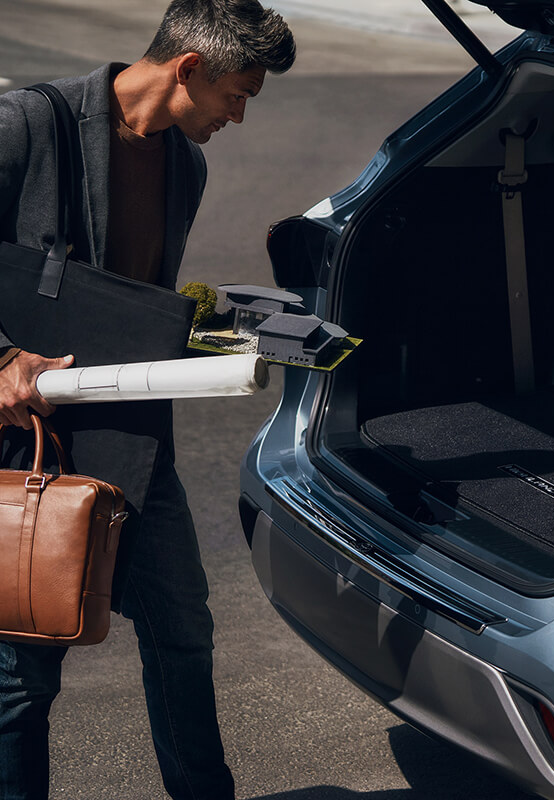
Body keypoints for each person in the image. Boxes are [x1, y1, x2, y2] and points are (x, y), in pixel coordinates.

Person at [0, 1, 295, 797]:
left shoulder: (184, 168)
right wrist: (3, 359)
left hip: (133, 439)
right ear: (189, 67)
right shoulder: (29, 125)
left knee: (182, 631)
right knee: (23, 674)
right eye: (236, 95)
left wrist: (219, 332)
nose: (238, 116)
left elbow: (126, 300)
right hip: (28, 447)